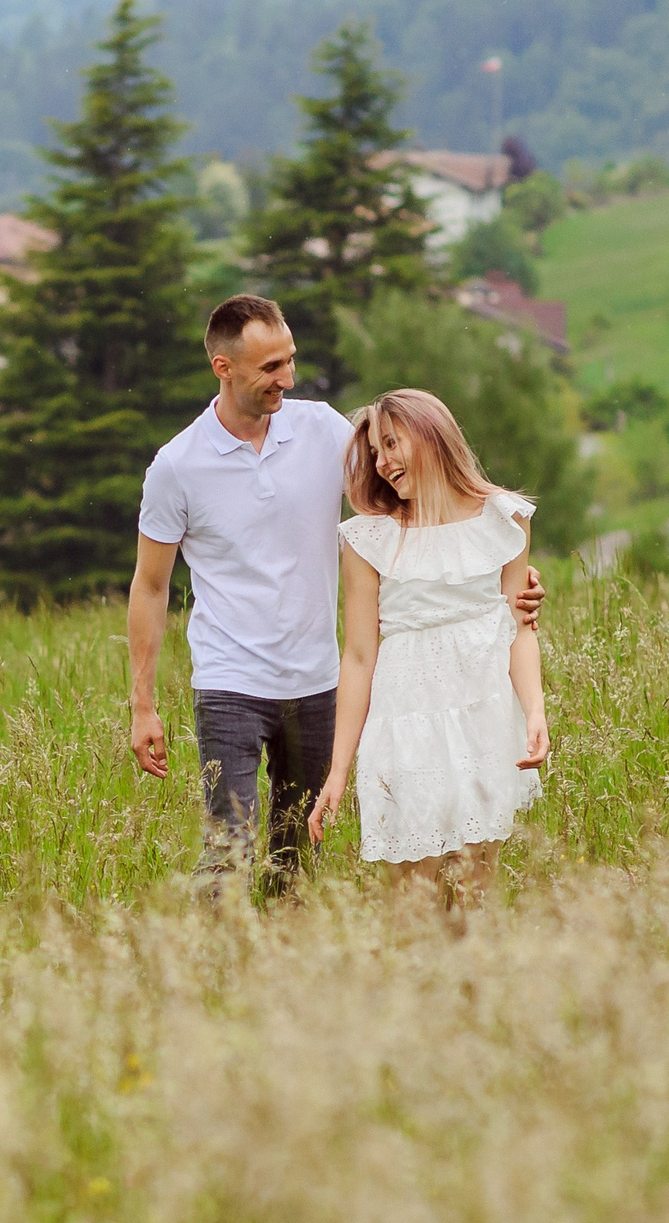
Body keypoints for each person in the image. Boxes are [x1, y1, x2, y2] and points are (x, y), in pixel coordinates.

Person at [130, 297, 540, 900]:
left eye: (290, 361)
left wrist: (506, 578)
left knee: (293, 858)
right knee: (229, 849)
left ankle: (290, 967)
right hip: (229, 681)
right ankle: (216, 972)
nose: (286, 379)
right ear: (224, 367)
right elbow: (150, 585)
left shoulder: (322, 429)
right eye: (270, 368)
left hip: (318, 680)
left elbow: (410, 476)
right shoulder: (176, 466)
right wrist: (143, 704)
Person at [307, 388, 549, 917]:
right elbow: (358, 658)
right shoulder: (369, 539)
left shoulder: (504, 519)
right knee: (411, 908)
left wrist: (534, 710)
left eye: (392, 443)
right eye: (375, 452)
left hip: (483, 721)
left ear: (431, 434)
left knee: (475, 901)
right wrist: (338, 769)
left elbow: (518, 627)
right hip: (404, 728)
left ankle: (472, 997)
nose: (383, 462)